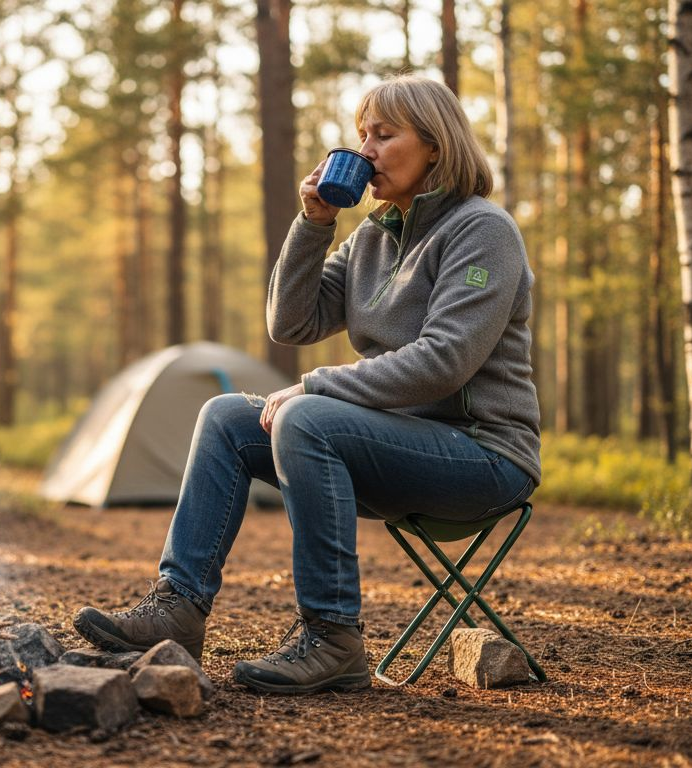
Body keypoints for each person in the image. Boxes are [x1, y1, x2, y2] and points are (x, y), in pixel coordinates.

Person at [73, 74, 540, 695]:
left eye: (385, 134)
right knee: (225, 417)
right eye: (361, 135)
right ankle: (178, 607)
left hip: (482, 456)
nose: (365, 150)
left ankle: (333, 637)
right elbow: (291, 323)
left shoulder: (482, 230)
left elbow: (444, 361)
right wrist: (314, 221)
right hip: (397, 446)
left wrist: (317, 387)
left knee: (305, 415)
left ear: (436, 145)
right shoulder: (374, 236)